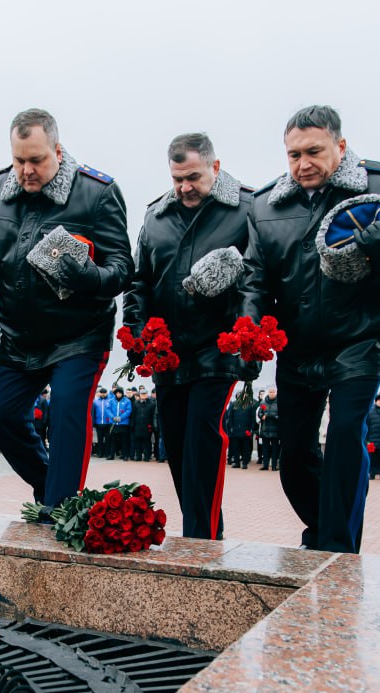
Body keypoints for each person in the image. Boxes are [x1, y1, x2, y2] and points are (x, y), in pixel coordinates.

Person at [241, 105, 380, 553]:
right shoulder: (267, 205)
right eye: (293, 155)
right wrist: (248, 328)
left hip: (360, 339)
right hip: (298, 345)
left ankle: (338, 548)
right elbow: (255, 279)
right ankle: (322, 527)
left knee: (345, 436)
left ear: (340, 147)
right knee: (295, 454)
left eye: (314, 151)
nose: (303, 164)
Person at [0, 108, 132, 517]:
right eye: (19, 160)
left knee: (68, 414)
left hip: (79, 336)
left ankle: (60, 512)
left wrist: (91, 276)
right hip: (18, 335)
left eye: (36, 160)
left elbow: (123, 269)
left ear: (57, 149)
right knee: (0, 417)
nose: (26, 171)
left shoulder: (97, 193)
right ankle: (50, 485)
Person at [124, 132, 255, 538]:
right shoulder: (155, 216)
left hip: (219, 349)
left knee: (202, 440)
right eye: (178, 179)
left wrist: (248, 334)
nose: (185, 188)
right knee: (178, 447)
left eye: (194, 177)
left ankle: (201, 539)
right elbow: (139, 281)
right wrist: (136, 330)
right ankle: (205, 530)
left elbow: (258, 279)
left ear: (215, 167)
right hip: (168, 352)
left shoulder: (247, 209)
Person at [256, 388, 281, 471]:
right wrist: (261, 416)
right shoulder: (263, 402)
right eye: (270, 392)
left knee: (274, 449)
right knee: (265, 448)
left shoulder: (279, 402)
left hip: (275, 430)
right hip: (265, 428)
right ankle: (265, 465)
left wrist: (274, 417)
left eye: (273, 392)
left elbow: (282, 415)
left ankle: (274, 466)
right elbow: (259, 412)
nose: (272, 393)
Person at [129, 386, 156, 462]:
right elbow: (133, 415)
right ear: (139, 395)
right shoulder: (135, 404)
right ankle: (138, 456)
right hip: (137, 426)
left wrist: (152, 426)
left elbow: (152, 416)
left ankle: (147, 457)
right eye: (142, 394)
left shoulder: (151, 404)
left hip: (147, 426)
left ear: (147, 394)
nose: (143, 395)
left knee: (147, 442)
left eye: (145, 394)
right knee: (138, 442)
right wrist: (132, 425)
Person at [103, 386, 131, 460]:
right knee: (113, 440)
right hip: (113, 423)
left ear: (122, 393)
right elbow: (108, 410)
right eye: (117, 393)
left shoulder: (127, 401)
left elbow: (128, 410)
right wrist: (113, 417)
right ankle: (111, 455)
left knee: (124, 440)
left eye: (120, 393)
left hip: (123, 423)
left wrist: (121, 417)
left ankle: (125, 455)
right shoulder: (111, 401)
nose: (118, 394)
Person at [92, 387, 110, 456]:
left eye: (104, 393)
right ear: (99, 393)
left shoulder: (110, 400)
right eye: (101, 393)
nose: (103, 394)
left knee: (108, 439)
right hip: (98, 423)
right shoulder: (95, 401)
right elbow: (93, 412)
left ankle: (107, 453)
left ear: (106, 393)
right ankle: (100, 453)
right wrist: (94, 422)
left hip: (107, 423)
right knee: (100, 440)